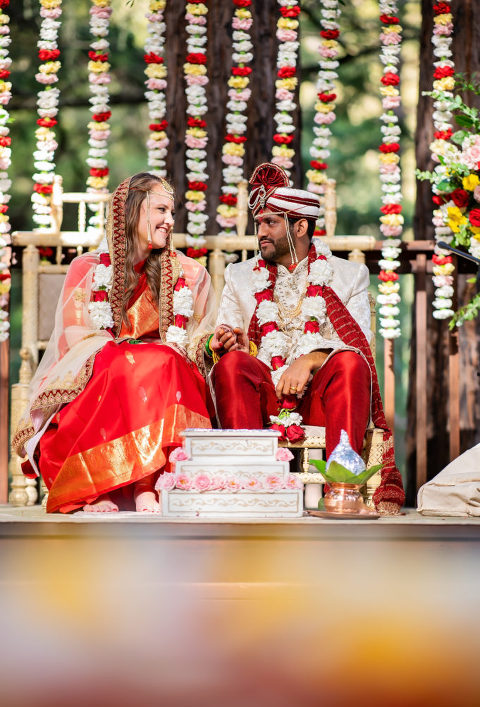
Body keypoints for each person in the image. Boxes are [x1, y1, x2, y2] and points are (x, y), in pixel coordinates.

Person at [13, 172, 217, 513]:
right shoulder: (88, 268)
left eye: (172, 213)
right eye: (161, 211)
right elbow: (74, 336)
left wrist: (214, 342)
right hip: (102, 371)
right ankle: (98, 486)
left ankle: (146, 484)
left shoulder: (190, 273)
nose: (170, 221)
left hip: (166, 373)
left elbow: (196, 339)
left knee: (164, 359)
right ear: (133, 211)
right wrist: (128, 354)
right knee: (121, 363)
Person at [210, 162, 404, 514]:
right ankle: (252, 489)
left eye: (271, 222)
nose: (261, 232)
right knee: (233, 364)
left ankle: (342, 489)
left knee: (349, 363)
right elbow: (228, 334)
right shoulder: (240, 276)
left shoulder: (349, 276)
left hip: (320, 397)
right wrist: (229, 342)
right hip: (264, 396)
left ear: (300, 226)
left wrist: (311, 359)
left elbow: (359, 344)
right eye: (259, 224)